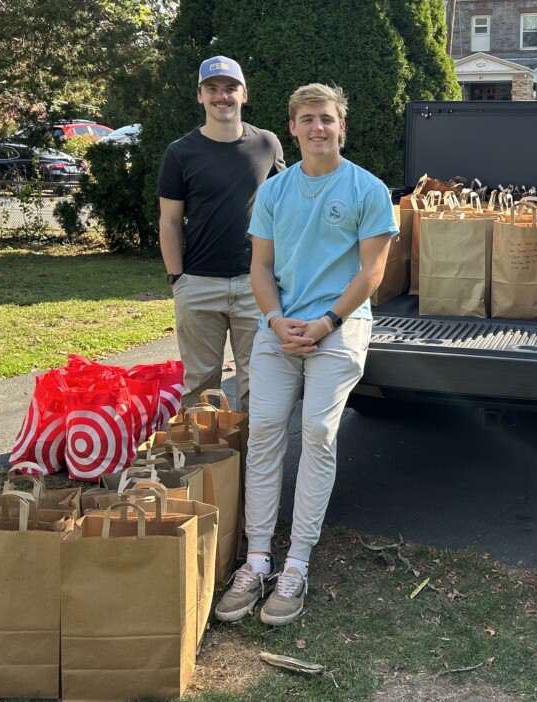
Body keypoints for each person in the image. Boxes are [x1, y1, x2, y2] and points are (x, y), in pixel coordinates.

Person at [214, 83, 396, 625]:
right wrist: (275, 321)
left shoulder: (368, 189)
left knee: (317, 431)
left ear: (342, 127)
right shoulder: (273, 192)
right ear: (291, 128)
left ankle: (296, 563)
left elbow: (372, 272)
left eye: (327, 118)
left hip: (339, 327)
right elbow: (261, 269)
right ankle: (257, 558)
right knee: (265, 427)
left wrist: (326, 322)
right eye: (307, 119)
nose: (318, 127)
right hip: (280, 327)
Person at [157, 56, 286, 412]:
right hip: (198, 285)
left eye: (230, 88)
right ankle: (201, 468)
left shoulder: (267, 145)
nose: (221, 96)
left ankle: (249, 467)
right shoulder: (180, 153)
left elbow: (283, 211)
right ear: (200, 96)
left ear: (244, 94)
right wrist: (177, 279)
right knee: (200, 384)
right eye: (212, 89)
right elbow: (169, 221)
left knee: (255, 382)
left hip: (255, 283)